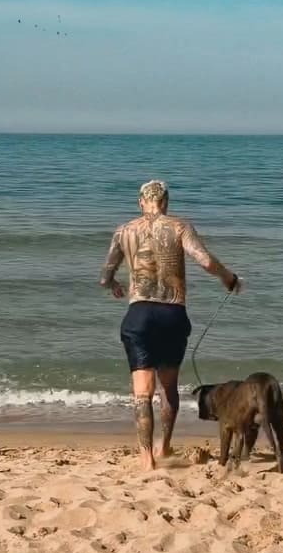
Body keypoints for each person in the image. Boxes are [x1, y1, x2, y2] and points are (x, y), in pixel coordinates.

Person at [99, 179, 241, 470]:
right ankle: (164, 447)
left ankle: (147, 459)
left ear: (141, 202)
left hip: (138, 315)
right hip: (173, 314)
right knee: (169, 389)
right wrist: (228, 277)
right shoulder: (179, 227)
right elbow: (204, 260)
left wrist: (113, 284)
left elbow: (105, 275)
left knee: (142, 392)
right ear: (166, 202)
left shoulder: (124, 231)